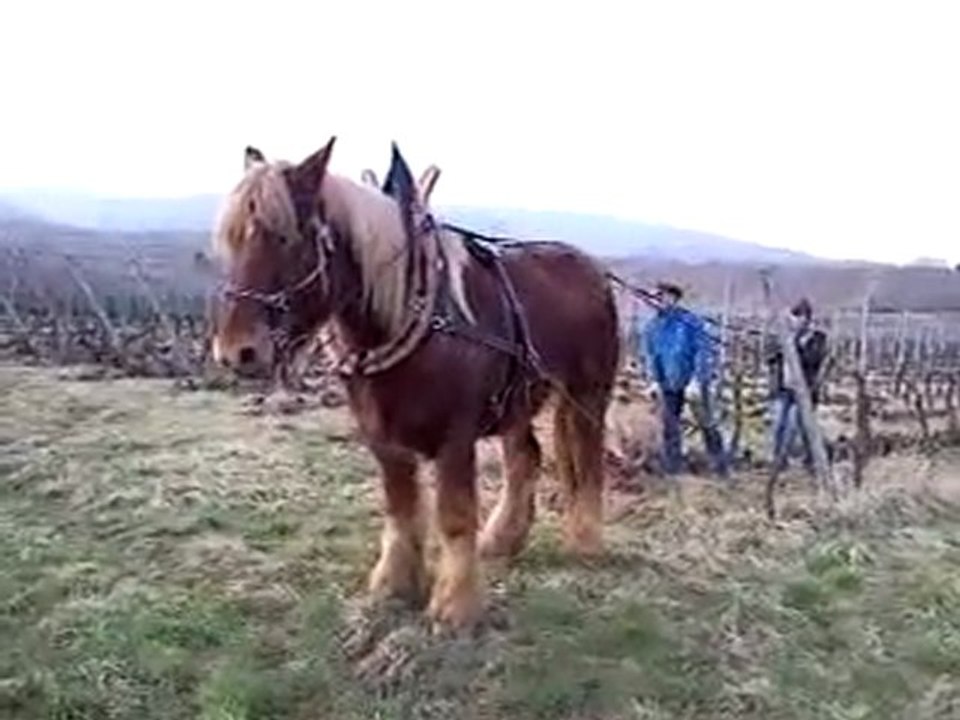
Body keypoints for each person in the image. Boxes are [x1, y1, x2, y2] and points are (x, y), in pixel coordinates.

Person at [639, 282, 728, 478]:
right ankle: (674, 470)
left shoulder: (690, 322)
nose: (658, 301)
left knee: (707, 423)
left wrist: (697, 380)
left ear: (673, 298)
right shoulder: (652, 327)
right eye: (655, 298)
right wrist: (654, 380)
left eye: (661, 297)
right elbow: (651, 355)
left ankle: (719, 466)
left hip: (693, 382)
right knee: (670, 426)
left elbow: (702, 352)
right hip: (668, 384)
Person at [766, 298, 828, 474]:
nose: (797, 321)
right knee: (779, 425)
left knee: (799, 426)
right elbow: (770, 356)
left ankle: (812, 460)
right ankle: (778, 462)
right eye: (794, 317)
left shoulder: (817, 338)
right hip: (783, 388)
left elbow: (813, 359)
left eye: (800, 317)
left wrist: (797, 347)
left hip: (804, 391)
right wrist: (779, 348)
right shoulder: (784, 337)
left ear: (808, 319)